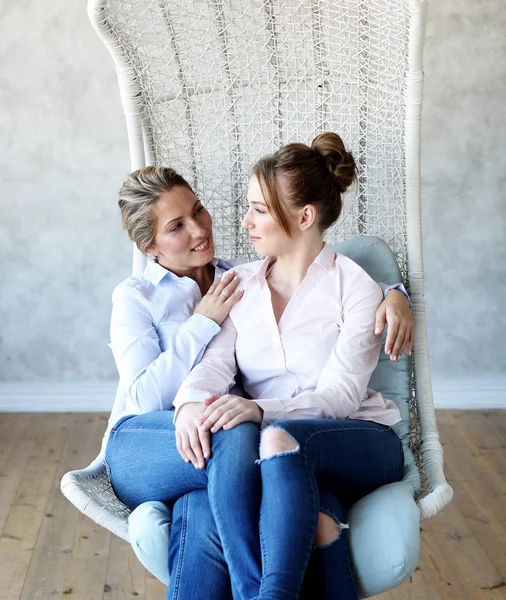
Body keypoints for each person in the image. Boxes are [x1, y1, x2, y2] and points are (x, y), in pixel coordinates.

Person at [105, 140, 412, 599]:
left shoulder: (243, 279)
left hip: (300, 436)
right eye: (176, 226)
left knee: (245, 468)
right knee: (283, 487)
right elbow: (189, 376)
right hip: (178, 440)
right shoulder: (219, 288)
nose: (236, 223)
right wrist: (190, 401)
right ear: (150, 246)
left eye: (257, 211)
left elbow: (340, 394)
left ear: (303, 217)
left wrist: (396, 291)